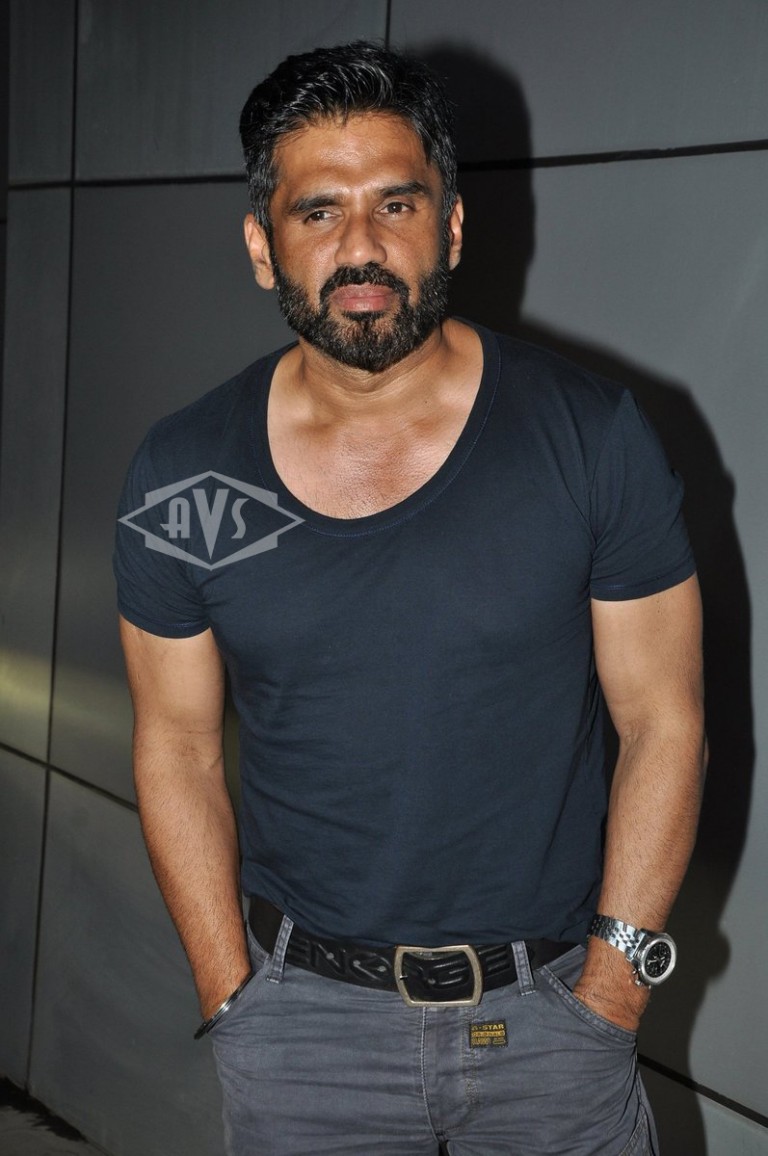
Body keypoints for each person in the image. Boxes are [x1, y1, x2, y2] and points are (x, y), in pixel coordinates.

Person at [115, 41, 706, 1156]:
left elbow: (664, 723)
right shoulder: (185, 477)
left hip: (555, 1025)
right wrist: (233, 997)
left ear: (453, 226)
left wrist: (613, 992)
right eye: (318, 211)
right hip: (302, 1039)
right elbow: (176, 748)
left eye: (397, 203)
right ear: (261, 244)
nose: (362, 246)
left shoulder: (592, 438)